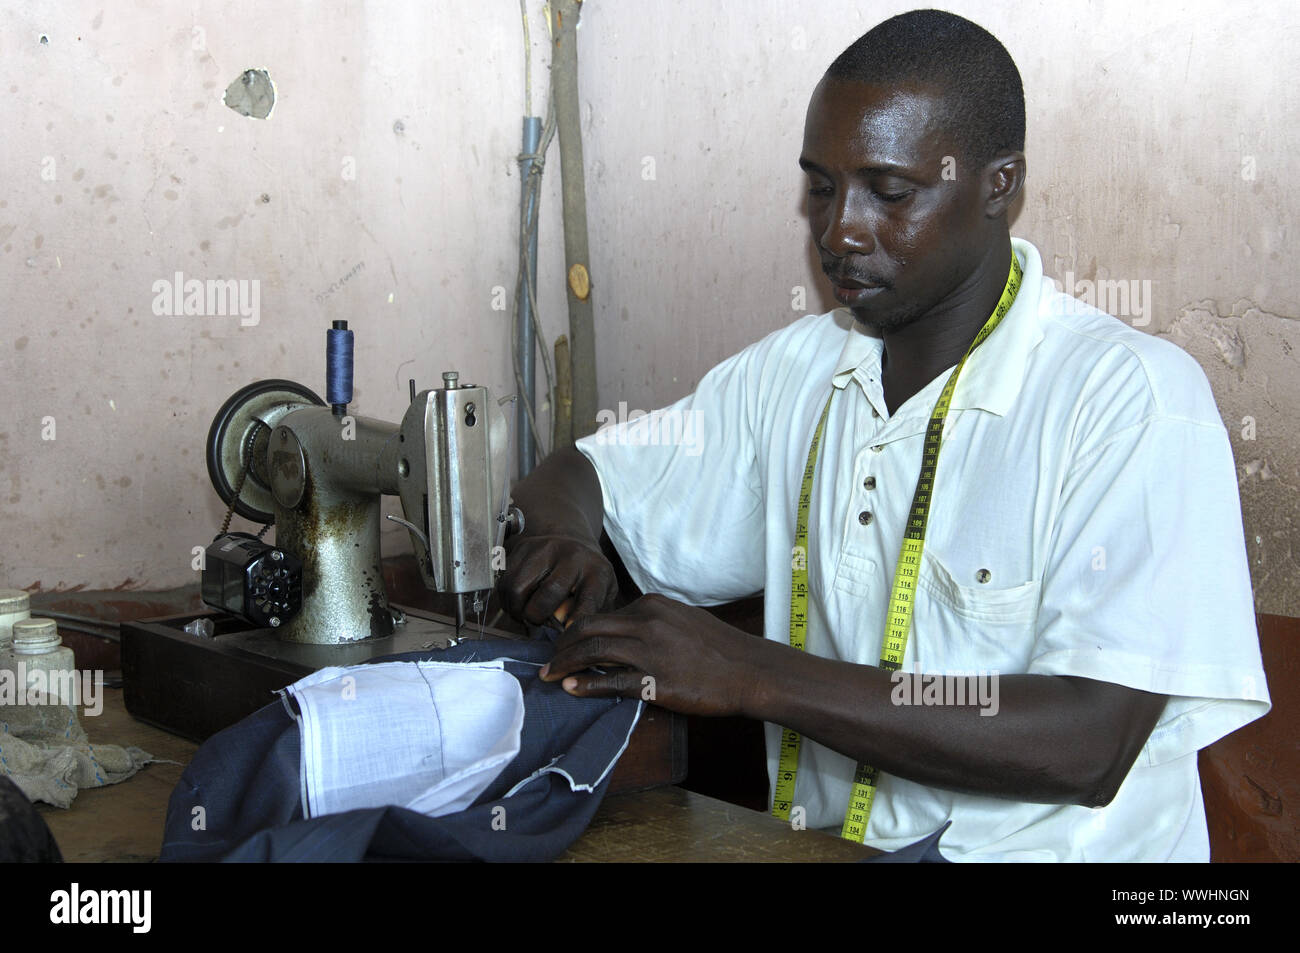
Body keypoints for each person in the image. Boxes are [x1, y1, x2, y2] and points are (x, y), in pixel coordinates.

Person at [496, 9, 1270, 861]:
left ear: (999, 185)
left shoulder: (1131, 401)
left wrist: (751, 673)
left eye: (888, 193)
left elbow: (1091, 739)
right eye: (821, 188)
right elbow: (581, 474)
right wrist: (564, 535)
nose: (839, 231)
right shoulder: (798, 371)